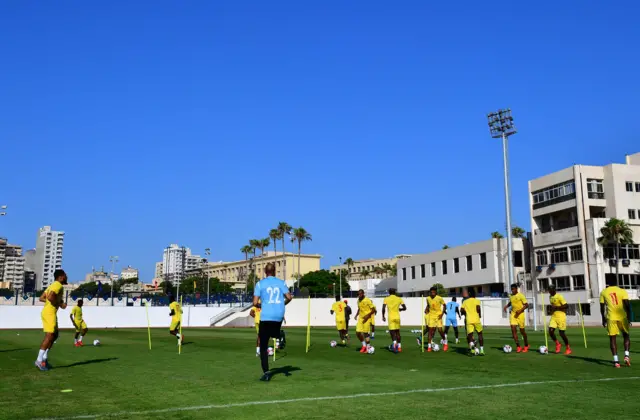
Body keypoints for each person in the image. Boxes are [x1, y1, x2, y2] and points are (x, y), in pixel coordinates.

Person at [253, 262, 292, 381]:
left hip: (266, 315)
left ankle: (266, 373)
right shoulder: (281, 283)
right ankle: (279, 334)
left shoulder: (260, 284)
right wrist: (282, 304)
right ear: (275, 271)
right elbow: (289, 297)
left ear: (265, 272)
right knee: (274, 333)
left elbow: (254, 303)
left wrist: (261, 305)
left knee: (263, 346)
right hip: (279, 315)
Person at [35, 269, 68, 371]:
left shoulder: (52, 285)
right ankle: (39, 360)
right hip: (49, 313)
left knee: (55, 334)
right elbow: (50, 297)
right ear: (61, 277)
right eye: (65, 275)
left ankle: (44, 358)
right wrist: (60, 303)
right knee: (50, 335)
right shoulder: (58, 285)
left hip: (49, 312)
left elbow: (42, 298)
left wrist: (57, 301)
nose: (66, 277)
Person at [600, 277, 632, 368]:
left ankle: (616, 361)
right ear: (616, 282)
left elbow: (602, 308)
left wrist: (603, 319)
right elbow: (627, 305)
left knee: (612, 339)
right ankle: (626, 356)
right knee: (626, 335)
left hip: (611, 318)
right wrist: (629, 317)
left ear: (608, 283)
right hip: (622, 317)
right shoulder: (622, 291)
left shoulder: (604, 292)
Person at [503, 283, 529, 353]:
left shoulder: (521, 296)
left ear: (516, 289)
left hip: (520, 315)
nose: (512, 291)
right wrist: (506, 306)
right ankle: (518, 346)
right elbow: (511, 302)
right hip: (513, 314)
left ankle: (526, 345)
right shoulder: (511, 296)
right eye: (511, 289)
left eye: (513, 289)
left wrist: (520, 310)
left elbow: (526, 305)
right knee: (513, 329)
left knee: (522, 331)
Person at [548, 284, 571, 355]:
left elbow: (566, 305)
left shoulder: (559, 296)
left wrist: (557, 308)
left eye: (551, 290)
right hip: (554, 316)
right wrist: (551, 310)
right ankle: (558, 344)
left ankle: (568, 348)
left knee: (561, 333)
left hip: (561, 317)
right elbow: (553, 306)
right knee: (550, 331)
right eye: (549, 290)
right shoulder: (550, 297)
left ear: (554, 289)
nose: (549, 291)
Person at [460, 288, 484, 355]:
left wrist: (466, 312)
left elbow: (461, 310)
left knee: (470, 335)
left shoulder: (465, 301)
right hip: (476, 320)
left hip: (469, 320)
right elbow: (478, 308)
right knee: (480, 334)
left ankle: (472, 350)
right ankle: (482, 350)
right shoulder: (477, 301)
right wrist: (479, 315)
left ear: (469, 293)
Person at [382, 288, 406, 352]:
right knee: (397, 332)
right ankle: (399, 347)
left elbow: (383, 308)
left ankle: (395, 345)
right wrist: (400, 309)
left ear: (389, 292)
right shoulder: (399, 299)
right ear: (395, 292)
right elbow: (405, 308)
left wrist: (383, 316)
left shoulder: (386, 299)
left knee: (392, 332)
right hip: (397, 317)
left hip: (391, 317)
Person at [425, 286, 447, 352]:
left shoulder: (439, 298)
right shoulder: (428, 298)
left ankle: (445, 342)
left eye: (434, 292)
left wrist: (442, 314)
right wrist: (426, 309)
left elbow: (445, 305)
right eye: (431, 292)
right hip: (431, 316)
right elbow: (428, 305)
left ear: (436, 292)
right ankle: (429, 347)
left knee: (440, 330)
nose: (432, 293)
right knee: (430, 331)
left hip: (438, 316)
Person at [354, 289, 376, 353]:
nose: (359, 295)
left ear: (363, 294)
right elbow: (359, 309)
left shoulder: (367, 300)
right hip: (361, 318)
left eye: (360, 294)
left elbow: (373, 310)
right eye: (358, 294)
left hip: (367, 319)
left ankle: (368, 347)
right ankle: (364, 345)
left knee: (366, 334)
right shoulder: (358, 301)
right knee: (357, 332)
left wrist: (367, 316)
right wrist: (356, 315)